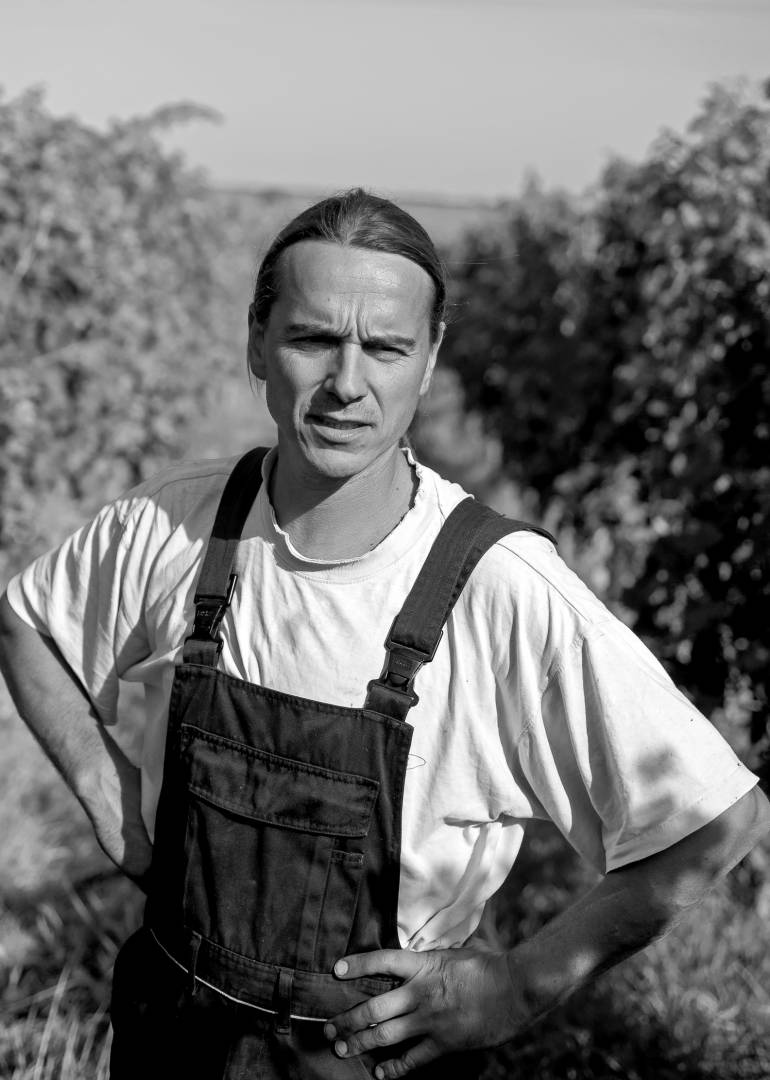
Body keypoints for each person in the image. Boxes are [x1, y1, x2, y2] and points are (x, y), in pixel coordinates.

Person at [0, 188, 767, 1080]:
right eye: (314, 339)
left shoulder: (498, 587)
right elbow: (27, 622)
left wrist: (518, 987)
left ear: (430, 360)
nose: (348, 384)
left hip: (368, 1060)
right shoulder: (179, 522)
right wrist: (107, 798)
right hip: (171, 1027)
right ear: (256, 340)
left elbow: (718, 819)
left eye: (386, 347)